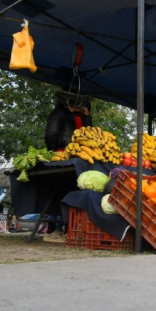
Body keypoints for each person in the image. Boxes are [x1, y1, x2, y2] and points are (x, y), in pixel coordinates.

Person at [43, 93, 93, 243]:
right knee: (59, 191)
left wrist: (87, 117)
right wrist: (55, 153)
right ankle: (54, 230)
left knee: (72, 191)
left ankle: (68, 229)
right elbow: (50, 135)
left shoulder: (80, 116)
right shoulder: (59, 114)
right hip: (62, 156)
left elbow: (90, 134)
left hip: (78, 157)